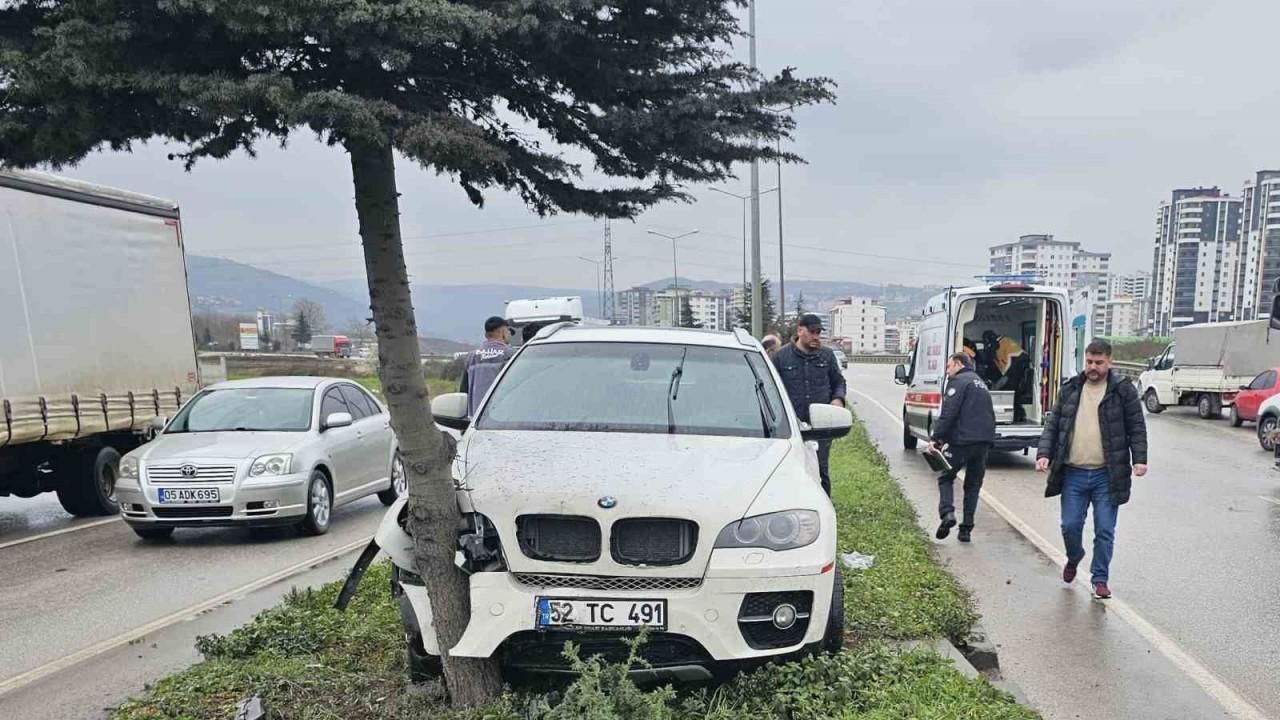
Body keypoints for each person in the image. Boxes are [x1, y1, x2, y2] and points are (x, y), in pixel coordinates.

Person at [1035, 338, 1147, 600]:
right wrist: (1044, 454)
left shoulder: (1122, 391)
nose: (1093, 367)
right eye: (1089, 362)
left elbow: (1136, 427)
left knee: (1105, 529)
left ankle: (1100, 579)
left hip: (1106, 475)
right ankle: (1074, 556)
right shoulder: (1071, 388)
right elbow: (1054, 424)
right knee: (1070, 525)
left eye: (1099, 362)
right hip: (1073, 473)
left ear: (1110, 362)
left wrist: (1139, 459)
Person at [772, 314, 847, 494]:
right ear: (800, 331)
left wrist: (837, 399)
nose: (816, 337)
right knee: (790, 470)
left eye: (818, 332)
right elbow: (771, 388)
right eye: (812, 332)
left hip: (820, 427)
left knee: (820, 471)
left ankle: (824, 507)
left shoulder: (827, 356)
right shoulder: (781, 357)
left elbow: (838, 382)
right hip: (791, 427)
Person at [928, 352, 995, 543]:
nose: (947, 372)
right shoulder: (980, 383)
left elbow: (949, 413)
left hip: (962, 441)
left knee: (946, 477)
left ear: (958, 364)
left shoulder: (958, 382)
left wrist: (936, 438)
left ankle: (947, 513)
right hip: (983, 442)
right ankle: (966, 530)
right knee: (973, 485)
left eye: (949, 367)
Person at [459, 316, 515, 418]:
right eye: (507, 331)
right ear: (503, 333)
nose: (508, 334)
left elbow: (464, 390)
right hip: (502, 417)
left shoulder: (471, 357)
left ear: (486, 335)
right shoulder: (510, 355)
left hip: (476, 419)